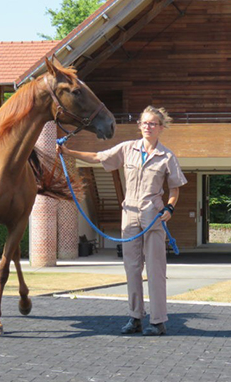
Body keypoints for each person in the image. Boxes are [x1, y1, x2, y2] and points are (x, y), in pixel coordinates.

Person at [57, 105, 187, 336]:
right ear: (139, 126)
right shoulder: (128, 149)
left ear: (161, 128)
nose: (148, 127)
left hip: (153, 214)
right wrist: (68, 153)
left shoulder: (167, 156)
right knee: (132, 267)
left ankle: (158, 321)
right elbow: (98, 157)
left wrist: (170, 207)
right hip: (129, 213)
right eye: (144, 123)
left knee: (156, 269)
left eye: (153, 123)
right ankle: (135, 317)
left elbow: (175, 189)